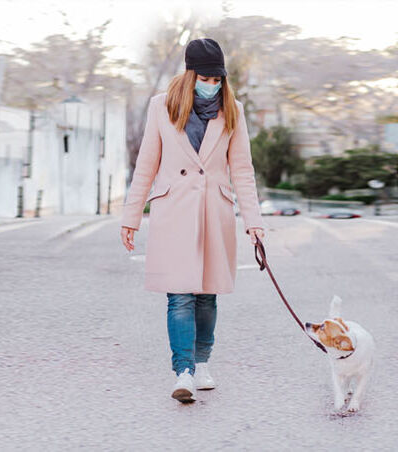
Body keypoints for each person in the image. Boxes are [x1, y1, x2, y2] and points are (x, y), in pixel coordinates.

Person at [119, 38, 265, 404]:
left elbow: (242, 170)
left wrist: (254, 221)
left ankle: (202, 363)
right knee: (179, 295)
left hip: (213, 212)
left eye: (218, 80)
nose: (212, 85)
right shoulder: (161, 106)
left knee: (206, 296)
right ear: (190, 74)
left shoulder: (233, 110)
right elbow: (146, 166)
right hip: (174, 212)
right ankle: (182, 371)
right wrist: (131, 217)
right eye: (206, 78)